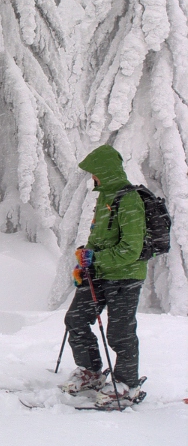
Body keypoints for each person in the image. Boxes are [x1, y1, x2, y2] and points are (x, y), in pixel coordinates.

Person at [61, 145, 147, 407]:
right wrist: (85, 260)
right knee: (75, 319)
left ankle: (126, 384)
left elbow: (131, 249)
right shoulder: (105, 197)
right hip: (100, 273)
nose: (92, 178)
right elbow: (100, 238)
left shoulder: (129, 199)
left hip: (125, 276)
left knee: (120, 332)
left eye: (94, 173)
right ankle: (91, 372)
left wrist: (95, 259)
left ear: (104, 172)